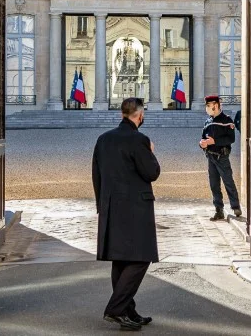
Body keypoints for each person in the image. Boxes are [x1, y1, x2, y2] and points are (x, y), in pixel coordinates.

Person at [92, 97, 160, 331]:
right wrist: (151, 152)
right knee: (141, 258)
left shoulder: (103, 139)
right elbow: (151, 173)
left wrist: (102, 205)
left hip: (111, 207)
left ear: (122, 113)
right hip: (136, 209)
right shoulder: (139, 140)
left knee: (121, 259)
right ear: (139, 116)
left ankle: (127, 311)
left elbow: (96, 175)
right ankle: (116, 309)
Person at [200, 95, 241, 221]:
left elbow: (231, 139)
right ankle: (219, 210)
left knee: (228, 181)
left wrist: (214, 141)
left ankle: (235, 207)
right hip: (211, 156)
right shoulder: (208, 121)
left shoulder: (226, 120)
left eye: (208, 105)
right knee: (214, 185)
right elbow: (204, 137)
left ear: (216, 105)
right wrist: (202, 144)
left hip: (222, 156)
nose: (207, 108)